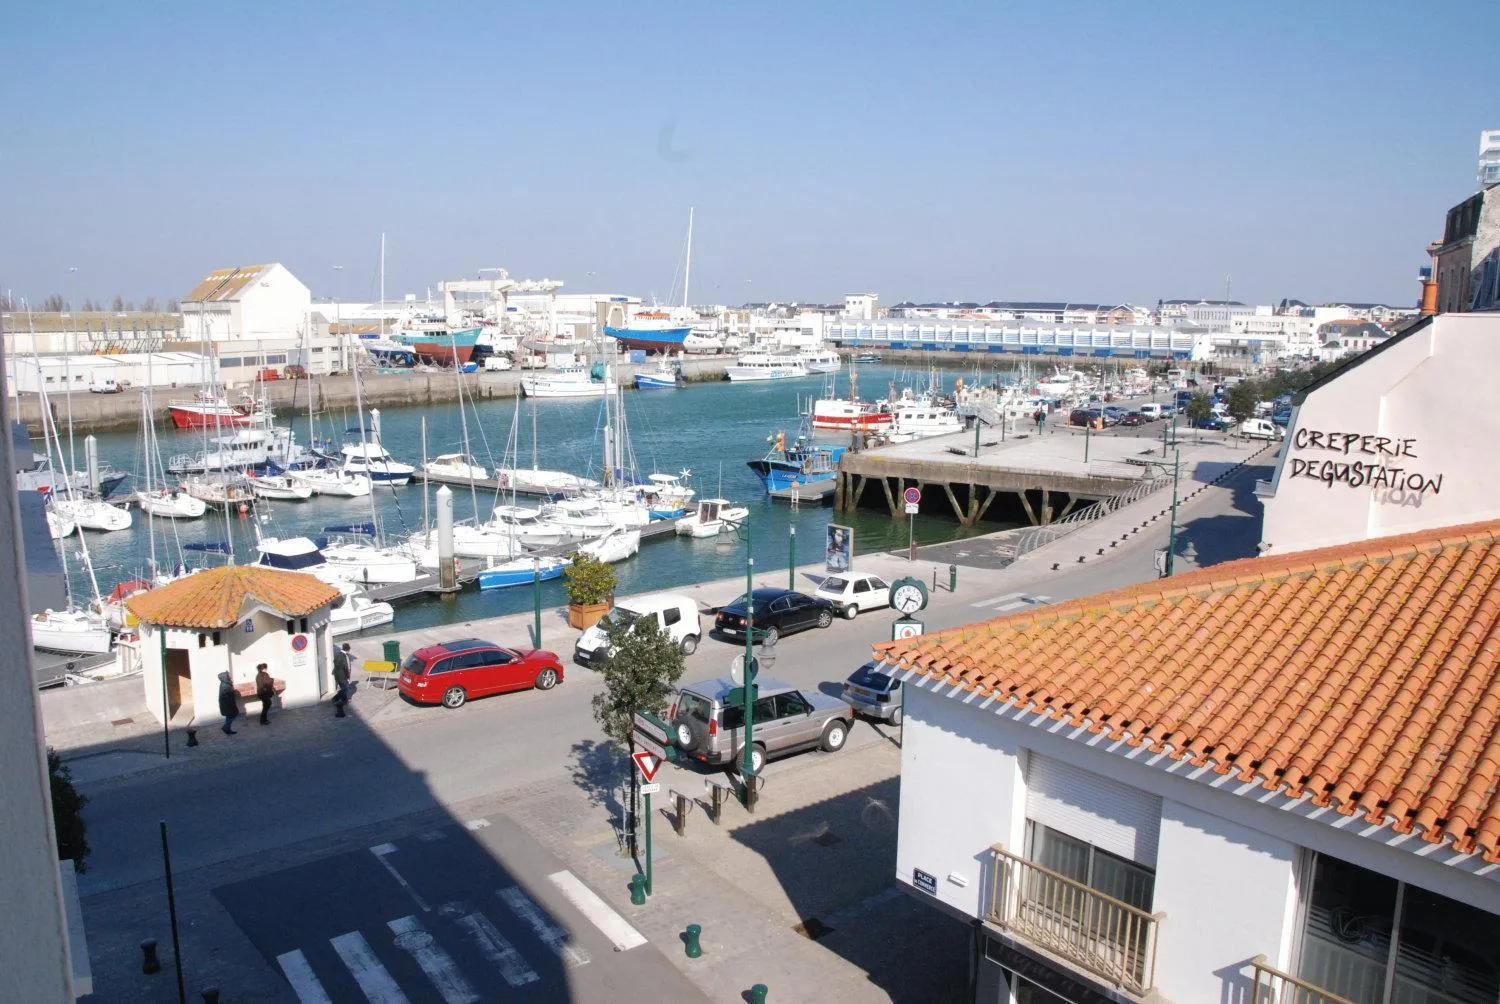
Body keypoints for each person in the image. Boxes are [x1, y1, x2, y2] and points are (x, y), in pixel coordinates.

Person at [332, 643, 352, 719]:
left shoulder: (337, 654)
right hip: (342, 676)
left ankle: (344, 700)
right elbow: (346, 667)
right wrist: (348, 677)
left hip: (337, 675)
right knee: (345, 688)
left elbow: (334, 662)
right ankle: (336, 698)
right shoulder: (344, 656)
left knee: (343, 688)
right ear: (347, 649)